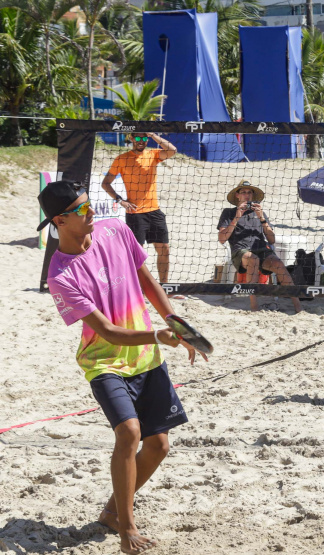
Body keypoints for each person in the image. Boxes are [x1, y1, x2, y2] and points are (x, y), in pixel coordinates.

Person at [39, 180, 206, 555]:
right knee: (129, 433)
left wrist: (177, 326)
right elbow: (110, 333)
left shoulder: (114, 230)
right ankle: (127, 528)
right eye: (83, 209)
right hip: (104, 362)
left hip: (145, 359)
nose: (93, 212)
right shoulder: (60, 276)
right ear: (60, 221)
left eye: (90, 204)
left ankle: (112, 512)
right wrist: (158, 336)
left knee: (159, 446)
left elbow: (147, 279)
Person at [101, 132, 179, 289]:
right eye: (138, 137)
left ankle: (164, 286)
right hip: (135, 213)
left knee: (164, 249)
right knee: (137, 255)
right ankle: (138, 288)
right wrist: (120, 200)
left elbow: (172, 150)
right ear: (131, 138)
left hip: (154, 211)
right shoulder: (122, 159)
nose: (141, 141)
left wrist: (153, 135)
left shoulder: (153, 154)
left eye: (144, 138)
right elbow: (105, 183)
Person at [217, 181, 302, 313]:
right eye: (243, 192)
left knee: (278, 264)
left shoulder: (260, 213)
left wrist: (262, 218)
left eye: (249, 192)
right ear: (237, 196)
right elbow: (222, 239)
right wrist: (237, 217)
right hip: (240, 251)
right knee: (253, 259)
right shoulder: (228, 212)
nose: (247, 195)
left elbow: (271, 240)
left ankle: (297, 305)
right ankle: (254, 306)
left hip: (261, 250)